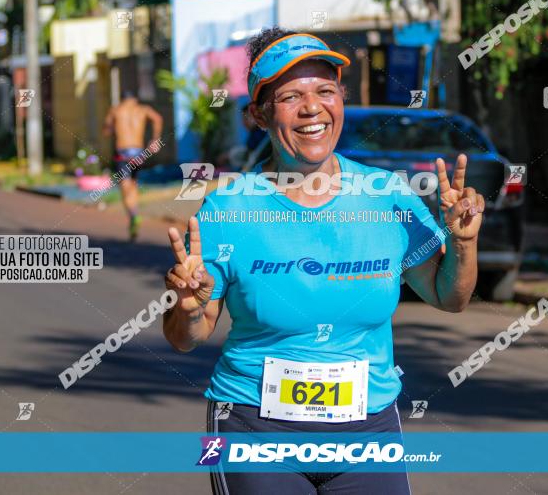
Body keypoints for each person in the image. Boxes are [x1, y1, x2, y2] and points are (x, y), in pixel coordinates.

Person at [162, 29, 485, 494]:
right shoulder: (228, 211)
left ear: (341, 101)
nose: (312, 107)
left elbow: (449, 297)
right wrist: (188, 308)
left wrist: (462, 243)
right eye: (290, 96)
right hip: (255, 428)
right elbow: (185, 339)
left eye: (325, 91)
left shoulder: (388, 198)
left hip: (368, 432)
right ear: (258, 114)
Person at [103, 91, 163, 241]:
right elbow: (158, 118)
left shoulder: (116, 110)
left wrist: (111, 129)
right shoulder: (143, 109)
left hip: (122, 153)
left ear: (122, 99)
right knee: (134, 184)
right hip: (139, 153)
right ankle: (134, 215)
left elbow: (106, 131)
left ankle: (133, 214)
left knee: (125, 187)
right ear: (134, 99)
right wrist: (155, 139)